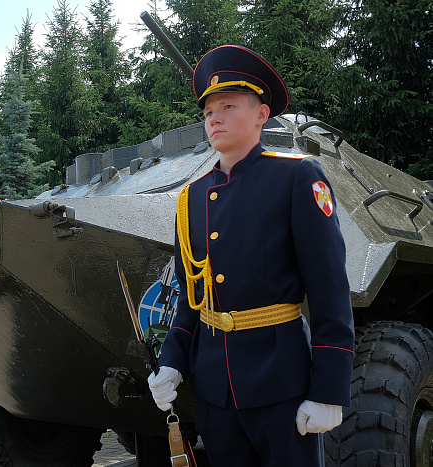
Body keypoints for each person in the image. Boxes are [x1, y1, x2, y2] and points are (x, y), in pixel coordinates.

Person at [147, 45, 355, 466]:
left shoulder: (297, 177)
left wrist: (329, 391)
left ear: (261, 115)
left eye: (227, 106)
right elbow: (193, 298)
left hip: (282, 386)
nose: (214, 118)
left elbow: (330, 288)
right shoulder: (191, 198)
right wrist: (172, 361)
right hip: (215, 395)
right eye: (208, 112)